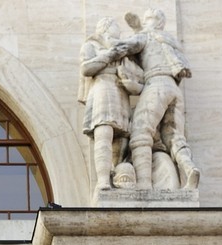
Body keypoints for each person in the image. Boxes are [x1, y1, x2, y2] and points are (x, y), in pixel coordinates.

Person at [122, 8, 199, 190]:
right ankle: (190, 170)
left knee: (140, 134)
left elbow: (123, 48)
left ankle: (143, 186)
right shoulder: (169, 41)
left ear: (150, 21)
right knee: (173, 137)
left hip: (156, 85)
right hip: (174, 89)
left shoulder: (146, 36)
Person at [79, 18, 142, 191]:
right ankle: (103, 180)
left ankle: (119, 179)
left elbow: (139, 75)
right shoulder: (91, 45)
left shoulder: (122, 50)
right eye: (116, 29)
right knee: (103, 131)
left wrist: (127, 75)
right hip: (102, 88)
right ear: (106, 28)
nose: (119, 33)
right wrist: (109, 55)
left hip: (120, 91)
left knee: (121, 138)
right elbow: (86, 68)